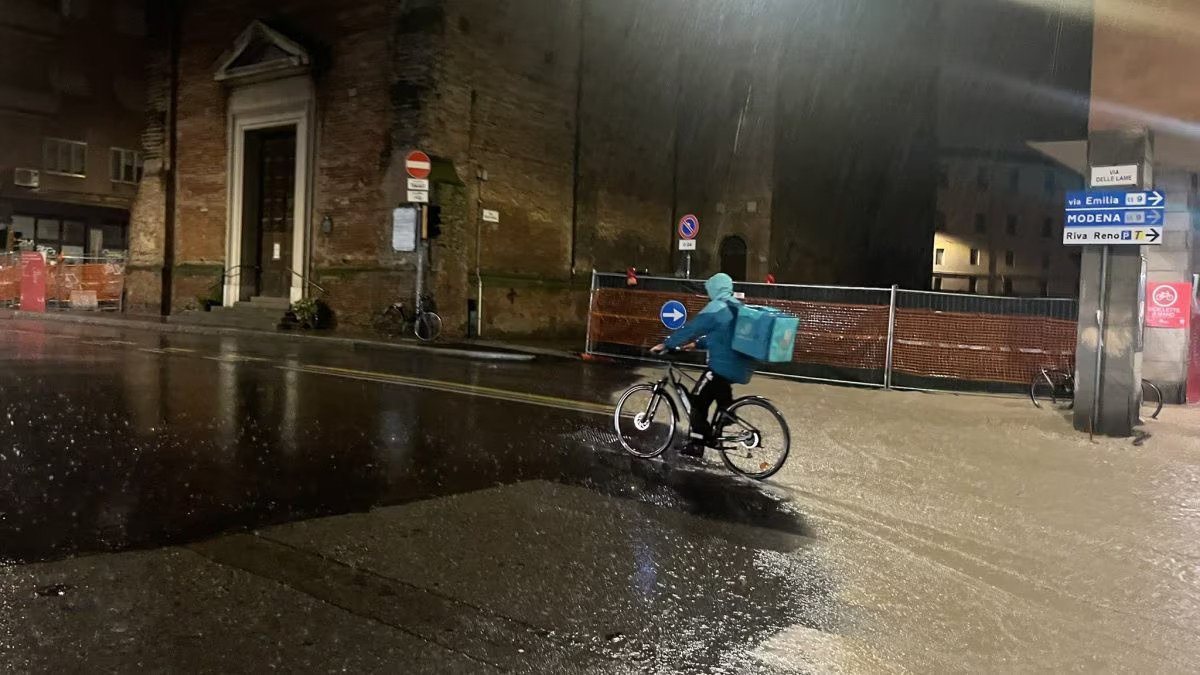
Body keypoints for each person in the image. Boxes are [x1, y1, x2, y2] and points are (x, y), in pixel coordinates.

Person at [651, 273, 754, 457]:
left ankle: (701, 440)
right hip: (739, 365)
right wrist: (697, 344)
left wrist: (667, 344)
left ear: (714, 288)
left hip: (721, 366)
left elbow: (692, 328)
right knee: (711, 398)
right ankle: (719, 421)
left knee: (697, 403)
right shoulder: (736, 306)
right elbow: (723, 336)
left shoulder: (716, 307)